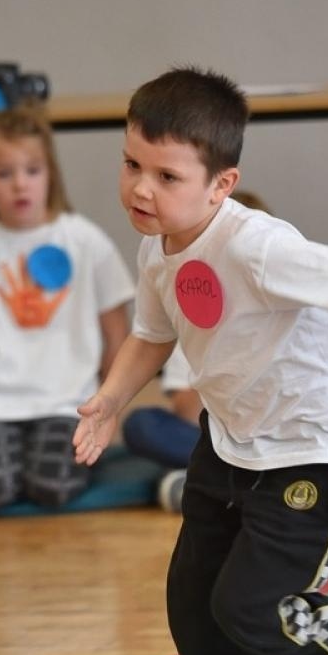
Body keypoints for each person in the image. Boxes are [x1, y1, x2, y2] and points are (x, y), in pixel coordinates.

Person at [73, 68, 328, 655]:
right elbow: (152, 333)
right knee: (194, 612)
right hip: (229, 448)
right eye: (132, 163)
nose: (141, 188)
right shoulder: (158, 243)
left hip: (314, 457)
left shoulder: (255, 245)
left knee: (253, 609)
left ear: (221, 184)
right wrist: (109, 401)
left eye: (167, 176)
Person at [0, 104, 133, 510]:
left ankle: (49, 451)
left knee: (53, 487)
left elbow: (117, 333)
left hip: (67, 403)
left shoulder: (85, 240)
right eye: (4, 173)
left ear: (50, 175)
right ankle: (5, 446)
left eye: (32, 170)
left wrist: (104, 407)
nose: (20, 185)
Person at [121, 189, 271, 512]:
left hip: (267, 437)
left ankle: (214, 482)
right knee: (141, 425)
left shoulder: (272, 324)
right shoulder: (193, 321)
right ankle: (228, 479)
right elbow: (186, 411)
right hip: (213, 438)